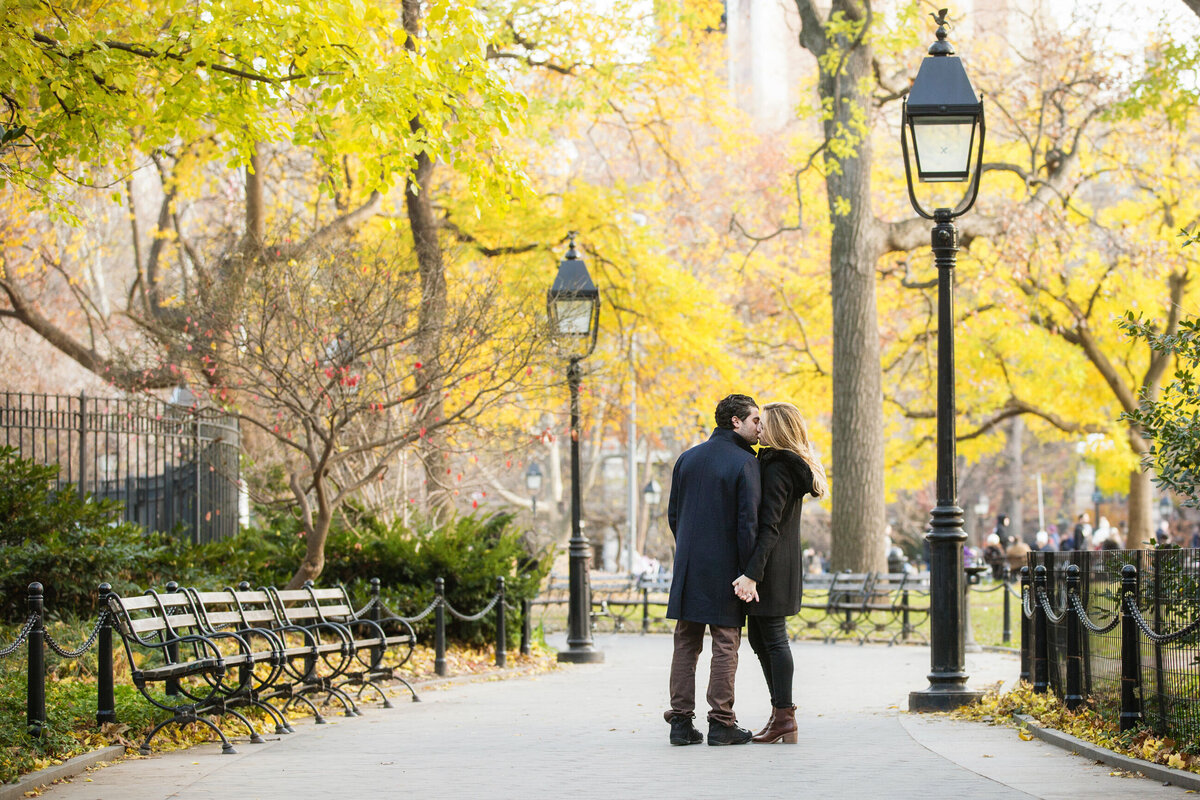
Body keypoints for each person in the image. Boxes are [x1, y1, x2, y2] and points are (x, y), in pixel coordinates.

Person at [664, 394, 762, 747]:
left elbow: (674, 515)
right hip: (728, 570)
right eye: (755, 420)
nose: (759, 428)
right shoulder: (744, 463)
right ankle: (721, 722)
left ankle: (680, 723)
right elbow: (747, 524)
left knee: (685, 643)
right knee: (725, 643)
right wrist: (750, 572)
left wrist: (690, 550)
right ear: (735, 421)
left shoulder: (687, 458)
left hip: (688, 567)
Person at [732, 402, 826, 745]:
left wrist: (752, 574)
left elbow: (769, 526)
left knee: (772, 638)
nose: (757, 428)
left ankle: (785, 716)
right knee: (761, 638)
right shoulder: (776, 463)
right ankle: (780, 714)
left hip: (771, 566)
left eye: (763, 422)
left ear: (777, 429)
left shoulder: (778, 468)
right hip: (775, 563)